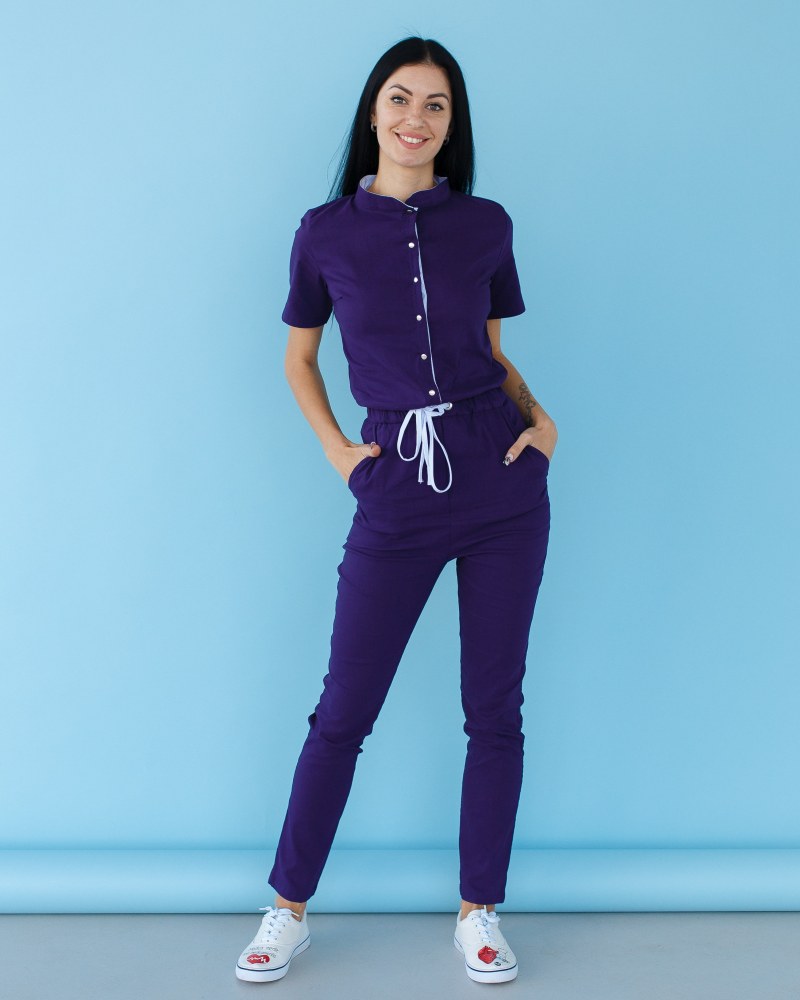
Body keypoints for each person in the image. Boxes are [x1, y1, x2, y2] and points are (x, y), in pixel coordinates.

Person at [235, 35, 558, 986]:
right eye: (401, 99)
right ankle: (287, 908)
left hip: (501, 480)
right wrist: (340, 453)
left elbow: (490, 352)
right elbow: (299, 358)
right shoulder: (324, 232)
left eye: (436, 105)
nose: (416, 119)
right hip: (395, 486)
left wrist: (541, 421)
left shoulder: (486, 224)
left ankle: (479, 912)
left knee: (494, 708)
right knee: (344, 709)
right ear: (374, 112)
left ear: (453, 126)